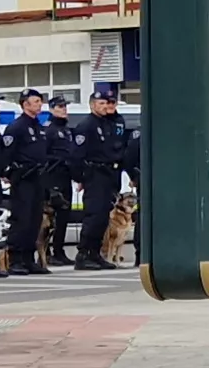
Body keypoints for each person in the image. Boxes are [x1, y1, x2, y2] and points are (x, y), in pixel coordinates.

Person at [70, 86, 136, 270]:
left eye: (107, 102)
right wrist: (80, 177)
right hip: (95, 174)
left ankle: (95, 253)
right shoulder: (86, 125)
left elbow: (118, 146)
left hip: (109, 174)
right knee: (94, 216)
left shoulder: (109, 123)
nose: (105, 105)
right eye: (101, 103)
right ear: (92, 105)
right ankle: (84, 254)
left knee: (102, 218)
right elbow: (76, 155)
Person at [7, 90, 68, 275]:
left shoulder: (39, 126)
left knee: (35, 221)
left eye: (40, 102)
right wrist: (13, 173)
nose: (39, 105)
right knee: (22, 220)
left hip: (38, 179)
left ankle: (28, 258)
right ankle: (15, 259)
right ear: (25, 104)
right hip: (24, 179)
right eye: (35, 102)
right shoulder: (17, 127)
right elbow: (8, 154)